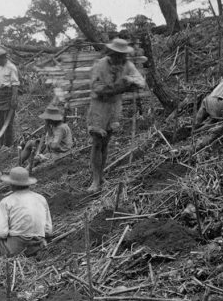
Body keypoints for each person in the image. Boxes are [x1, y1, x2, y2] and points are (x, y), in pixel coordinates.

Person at [87, 38, 146, 192]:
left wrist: (129, 81)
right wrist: (116, 88)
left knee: (105, 142)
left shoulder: (127, 65)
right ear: (111, 53)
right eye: (117, 55)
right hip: (99, 106)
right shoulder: (100, 65)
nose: (119, 58)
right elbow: (95, 87)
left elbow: (140, 81)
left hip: (114, 107)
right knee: (97, 142)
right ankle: (95, 180)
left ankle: (101, 176)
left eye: (122, 56)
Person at [0, 167, 52, 259]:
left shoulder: (7, 201)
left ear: (12, 184)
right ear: (28, 184)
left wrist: (13, 232)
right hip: (38, 246)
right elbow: (48, 231)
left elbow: (1, 233)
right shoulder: (41, 198)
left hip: (17, 249)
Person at [19, 105, 74, 169]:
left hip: (59, 153)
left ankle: (24, 172)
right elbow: (43, 135)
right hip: (50, 148)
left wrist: (49, 134)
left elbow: (54, 146)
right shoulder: (52, 125)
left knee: (36, 159)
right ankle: (18, 165)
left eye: (47, 119)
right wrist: (38, 151)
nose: (45, 120)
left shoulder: (60, 128)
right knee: (30, 143)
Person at [0, 48, 21, 148]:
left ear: (3, 58)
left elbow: (15, 84)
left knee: (8, 122)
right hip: (1, 96)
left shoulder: (11, 67)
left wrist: (14, 98)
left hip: (9, 95)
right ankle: (2, 143)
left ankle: (8, 145)